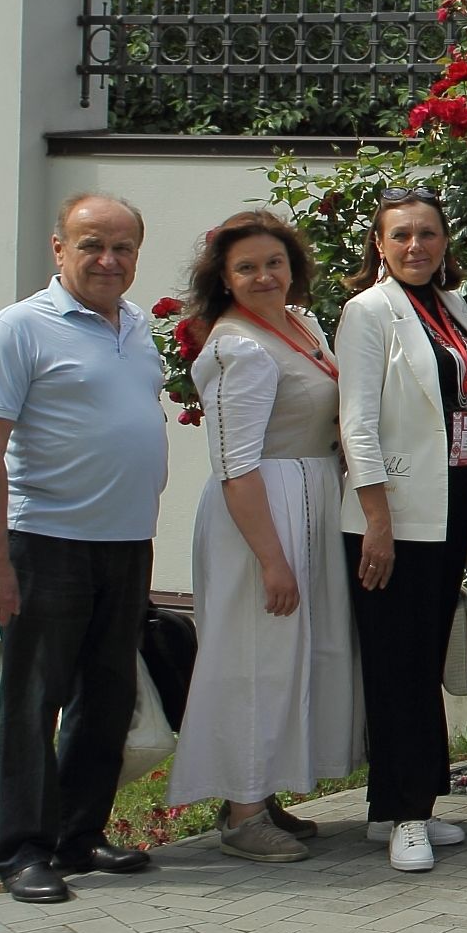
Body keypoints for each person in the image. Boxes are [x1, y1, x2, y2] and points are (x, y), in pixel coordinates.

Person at [0, 194, 170, 903]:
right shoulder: (19, 329)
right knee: (33, 701)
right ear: (60, 249)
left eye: (123, 247)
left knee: (106, 698)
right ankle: (23, 850)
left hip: (124, 543)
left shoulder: (139, 328)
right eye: (92, 245)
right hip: (44, 542)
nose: (108, 261)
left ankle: (78, 836)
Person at [165, 211, 360, 866]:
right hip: (260, 514)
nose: (262, 276)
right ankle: (243, 814)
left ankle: (262, 791)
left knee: (292, 656)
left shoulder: (300, 324)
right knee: (255, 657)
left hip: (306, 498)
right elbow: (235, 466)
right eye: (246, 267)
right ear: (224, 279)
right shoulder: (237, 348)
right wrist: (272, 561)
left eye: (273, 262)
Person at [339, 186, 467, 874]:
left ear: (444, 240)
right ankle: (407, 816)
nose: (415, 246)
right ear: (379, 243)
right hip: (391, 515)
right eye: (400, 235)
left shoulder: (452, 307)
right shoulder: (367, 312)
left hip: (449, 504)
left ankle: (399, 804)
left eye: (427, 233)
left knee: (421, 660)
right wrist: (377, 521)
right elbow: (357, 422)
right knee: (397, 666)